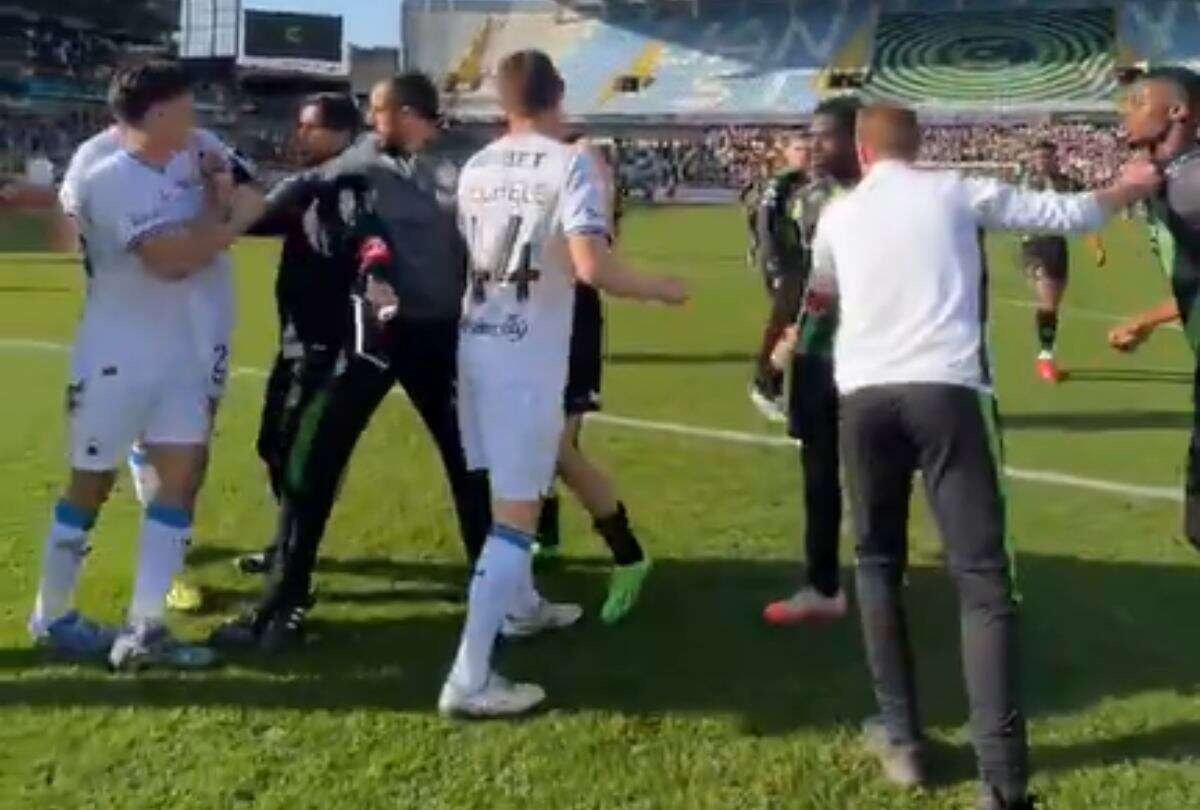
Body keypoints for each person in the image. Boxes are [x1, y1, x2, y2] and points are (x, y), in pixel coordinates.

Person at [807, 103, 1158, 808]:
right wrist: (1130, 184)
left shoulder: (838, 214)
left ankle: (904, 739)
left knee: (877, 564)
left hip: (865, 398)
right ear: (919, 147)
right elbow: (1074, 216)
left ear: (864, 153)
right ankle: (1000, 781)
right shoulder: (958, 190)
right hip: (949, 392)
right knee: (982, 580)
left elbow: (821, 298)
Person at [440, 50, 687, 717]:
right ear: (559, 96)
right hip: (526, 357)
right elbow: (590, 266)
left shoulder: (477, 164)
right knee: (515, 514)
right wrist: (662, 289)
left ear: (503, 103)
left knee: (514, 487)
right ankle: (470, 678)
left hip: (479, 342)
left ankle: (521, 609)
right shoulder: (570, 161)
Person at [210, 73, 491, 653]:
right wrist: (229, 199)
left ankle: (499, 588)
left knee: (470, 462)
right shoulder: (358, 163)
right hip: (373, 339)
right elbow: (290, 197)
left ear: (410, 112)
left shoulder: (467, 164)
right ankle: (281, 605)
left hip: (442, 337)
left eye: (379, 109)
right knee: (311, 466)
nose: (370, 117)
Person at [27, 62, 264, 670]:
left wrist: (223, 205)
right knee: (91, 485)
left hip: (185, 351)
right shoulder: (106, 175)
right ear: (156, 114)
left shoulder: (200, 146)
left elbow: (255, 194)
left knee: (179, 483)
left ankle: (145, 626)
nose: (199, 119)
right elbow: (172, 259)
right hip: (116, 354)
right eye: (186, 107)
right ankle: (52, 616)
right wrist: (223, 215)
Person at [234, 93, 363, 576]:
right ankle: (288, 546)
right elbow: (260, 220)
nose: (300, 134)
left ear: (341, 132)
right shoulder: (310, 187)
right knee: (275, 444)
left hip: (329, 344)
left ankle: (293, 562)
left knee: (301, 454)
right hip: (296, 339)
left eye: (309, 126)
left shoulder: (355, 185)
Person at [532, 133, 652, 625]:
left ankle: (629, 556)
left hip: (570, 321)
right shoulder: (562, 172)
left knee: (557, 449)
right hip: (542, 317)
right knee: (539, 440)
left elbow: (589, 263)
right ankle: (546, 535)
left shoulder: (583, 172)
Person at [762, 96, 862, 627]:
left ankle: (882, 570)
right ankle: (823, 584)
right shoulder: (808, 200)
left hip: (870, 355)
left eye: (826, 136)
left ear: (856, 138)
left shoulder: (882, 199)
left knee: (880, 468)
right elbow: (802, 281)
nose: (815, 146)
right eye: (811, 135)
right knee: (819, 471)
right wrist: (784, 342)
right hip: (817, 353)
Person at [1110, 66, 1200, 551]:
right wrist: (1147, 319)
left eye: (1140, 100)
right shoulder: (1170, 180)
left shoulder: (1194, 184)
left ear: (1177, 111)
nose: (1127, 109)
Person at [1016, 141, 1107, 383]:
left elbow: (1087, 216)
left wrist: (1096, 245)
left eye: (1046, 157)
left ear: (1055, 159)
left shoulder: (1068, 184)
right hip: (1033, 245)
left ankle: (1046, 353)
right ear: (1032, 160)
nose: (1042, 161)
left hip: (1056, 245)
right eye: (1037, 157)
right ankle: (1045, 357)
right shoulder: (1025, 184)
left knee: (1051, 305)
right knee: (1046, 301)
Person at [750, 133, 811, 422]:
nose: (805, 153)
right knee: (790, 326)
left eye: (808, 148)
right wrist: (771, 263)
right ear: (786, 153)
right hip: (784, 266)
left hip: (803, 265)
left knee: (797, 328)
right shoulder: (780, 185)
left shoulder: (807, 183)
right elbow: (765, 222)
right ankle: (765, 383)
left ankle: (772, 386)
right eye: (799, 148)